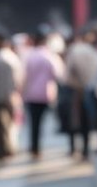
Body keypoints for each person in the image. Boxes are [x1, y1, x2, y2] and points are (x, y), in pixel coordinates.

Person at [20, 30, 65, 159]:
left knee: (33, 123)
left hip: (30, 94)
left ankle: (34, 147)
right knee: (43, 122)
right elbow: (59, 74)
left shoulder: (28, 55)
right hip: (46, 94)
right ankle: (38, 147)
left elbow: (23, 76)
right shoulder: (50, 56)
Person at [64, 29, 97, 160]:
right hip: (91, 88)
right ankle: (85, 149)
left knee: (74, 120)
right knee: (86, 120)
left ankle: (74, 148)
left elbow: (67, 76)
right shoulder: (92, 51)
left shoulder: (74, 50)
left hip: (77, 90)